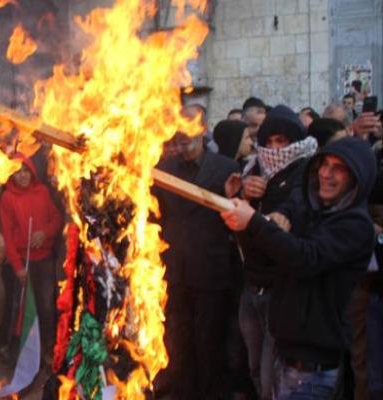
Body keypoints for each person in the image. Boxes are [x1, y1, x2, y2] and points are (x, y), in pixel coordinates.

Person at [221, 137, 376, 399]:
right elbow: (269, 251)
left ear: (357, 178)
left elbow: (305, 258)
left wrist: (255, 222)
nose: (326, 173)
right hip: (285, 355)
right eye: (324, 164)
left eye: (338, 168)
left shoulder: (355, 225)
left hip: (312, 371)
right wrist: (242, 211)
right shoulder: (312, 212)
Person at [231, 105, 318, 399]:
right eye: (269, 141)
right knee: (255, 367)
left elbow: (297, 205)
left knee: (272, 373)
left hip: (281, 289)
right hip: (252, 285)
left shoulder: (308, 169)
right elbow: (240, 224)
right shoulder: (254, 169)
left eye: (282, 141)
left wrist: (281, 214)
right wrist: (243, 194)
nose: (275, 148)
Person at [154, 130, 240, 399]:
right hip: (174, 269)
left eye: (189, 127)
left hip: (210, 268)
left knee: (209, 340)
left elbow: (235, 214)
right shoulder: (163, 168)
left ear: (202, 129)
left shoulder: (226, 167)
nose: (183, 135)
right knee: (178, 340)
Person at [0, 155, 63, 368]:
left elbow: (56, 219)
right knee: (21, 308)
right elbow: (7, 235)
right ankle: (19, 353)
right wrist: (17, 267)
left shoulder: (42, 192)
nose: (23, 176)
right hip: (22, 261)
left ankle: (47, 350)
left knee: (46, 306)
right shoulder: (8, 198)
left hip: (43, 259)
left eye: (26, 171)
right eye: (18, 172)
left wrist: (44, 233)